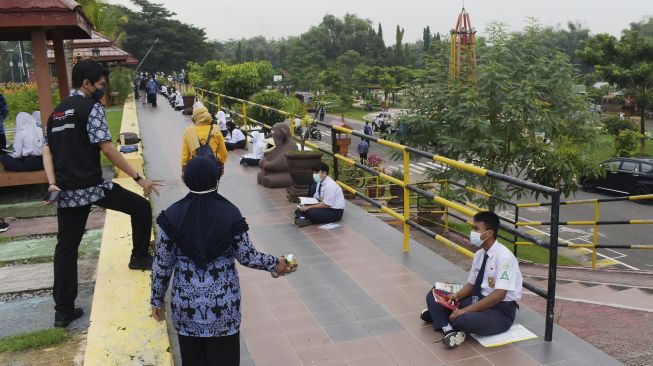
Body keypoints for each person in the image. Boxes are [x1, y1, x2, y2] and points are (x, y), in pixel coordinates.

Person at [42, 60, 162, 328]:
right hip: (93, 187)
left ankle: (63, 311)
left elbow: (47, 150)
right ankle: (139, 257)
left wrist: (52, 183)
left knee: (66, 248)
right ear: (87, 84)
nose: (102, 89)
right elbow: (108, 149)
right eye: (100, 84)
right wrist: (139, 178)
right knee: (140, 208)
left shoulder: (56, 113)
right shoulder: (90, 108)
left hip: (67, 193)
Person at [151, 156, 297, 366]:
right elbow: (247, 256)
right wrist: (277, 263)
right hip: (223, 308)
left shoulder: (171, 216)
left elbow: (162, 265)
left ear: (186, 179)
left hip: (187, 308)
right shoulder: (230, 213)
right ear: (216, 179)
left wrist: (156, 299)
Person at [421, 211, 522, 349]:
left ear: (489, 233)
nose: (472, 232)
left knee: (464, 320)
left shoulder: (504, 257)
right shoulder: (480, 254)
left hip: (499, 310)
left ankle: (440, 317)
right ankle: (448, 330)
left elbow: (499, 295)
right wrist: (456, 296)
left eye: (476, 229)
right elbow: (471, 284)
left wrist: (465, 310)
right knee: (434, 294)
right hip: (477, 299)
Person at [294, 162, 345, 227]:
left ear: (324, 173)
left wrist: (308, 207)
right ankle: (301, 219)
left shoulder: (330, 185)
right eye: (314, 172)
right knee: (300, 207)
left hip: (335, 212)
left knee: (311, 212)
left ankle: (303, 217)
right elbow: (316, 197)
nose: (314, 174)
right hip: (324, 206)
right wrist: (305, 203)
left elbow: (327, 204)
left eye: (316, 172)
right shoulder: (319, 182)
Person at [181, 105, 228, 175]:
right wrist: (221, 168)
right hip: (212, 167)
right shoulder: (215, 130)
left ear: (195, 117)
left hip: (194, 168)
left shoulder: (189, 131)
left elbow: (185, 155)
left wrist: (184, 171)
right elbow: (223, 153)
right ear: (208, 115)